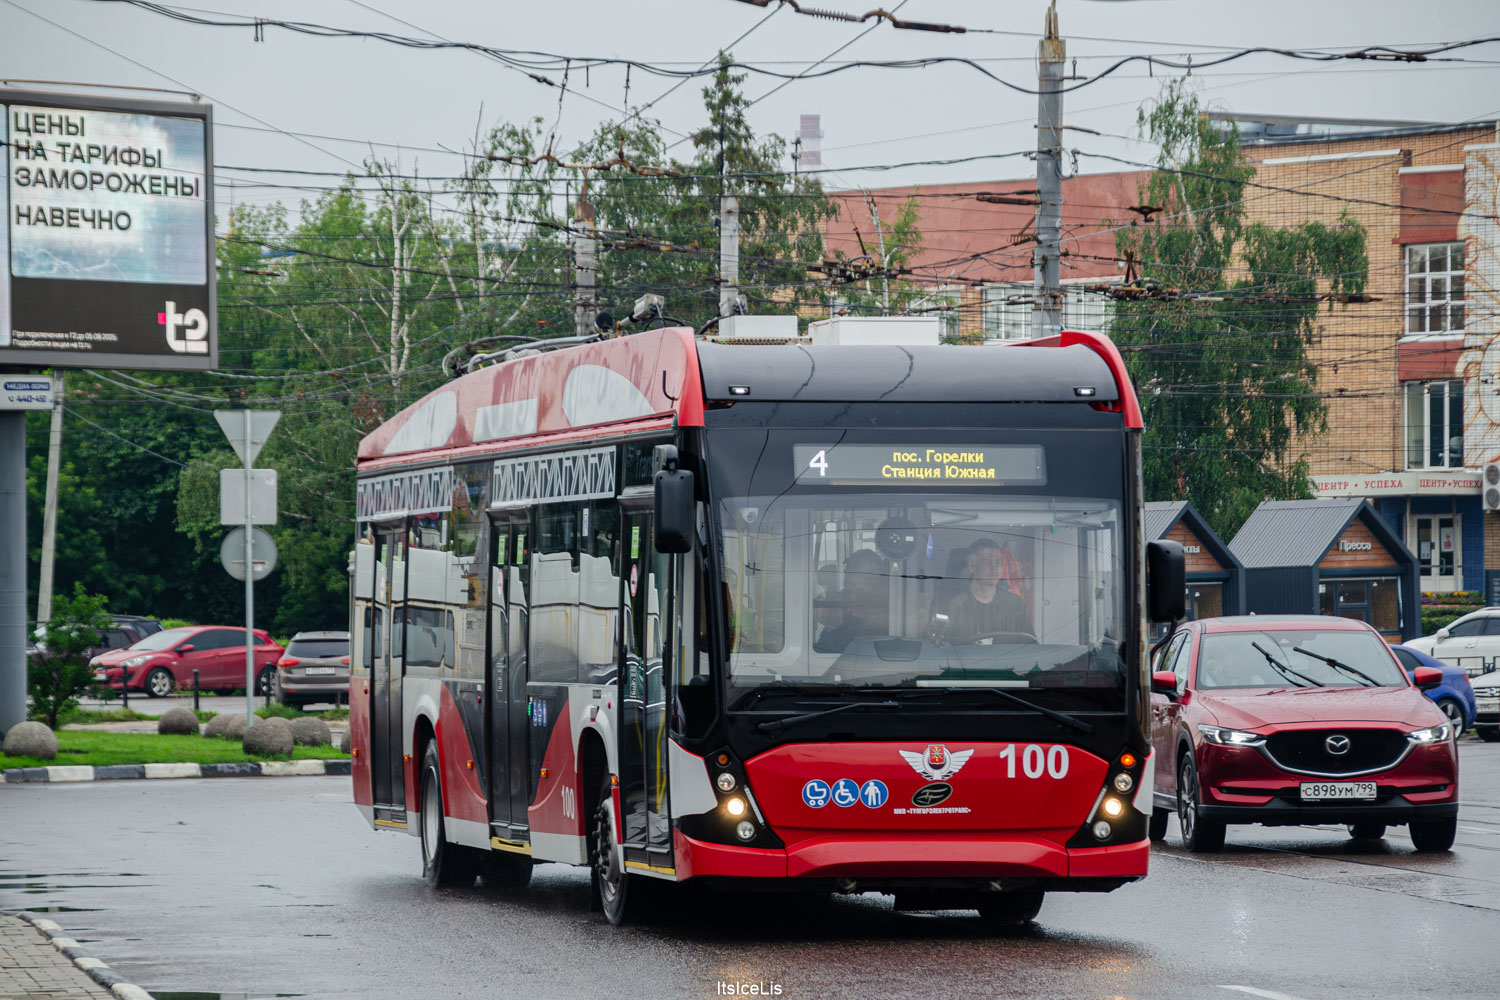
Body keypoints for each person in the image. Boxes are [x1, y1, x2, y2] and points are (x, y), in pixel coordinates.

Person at [941, 538, 1034, 643]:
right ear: (972, 566)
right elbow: (940, 646)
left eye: (998, 563)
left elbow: (1030, 645)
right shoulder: (954, 603)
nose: (995, 568)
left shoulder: (1015, 604)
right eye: (989, 562)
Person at [815, 549, 890, 652]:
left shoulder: (893, 599)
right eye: (868, 574)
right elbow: (826, 617)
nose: (873, 578)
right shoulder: (841, 599)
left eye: (877, 572)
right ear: (853, 576)